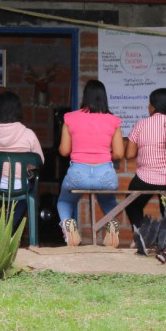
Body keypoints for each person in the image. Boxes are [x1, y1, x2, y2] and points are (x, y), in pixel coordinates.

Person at [56, 79, 124, 248]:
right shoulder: (113, 121)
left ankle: (68, 224)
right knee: (108, 201)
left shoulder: (70, 118)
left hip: (77, 174)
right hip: (105, 175)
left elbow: (64, 151)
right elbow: (119, 153)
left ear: (85, 97)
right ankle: (112, 224)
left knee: (64, 202)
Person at [124, 88, 166, 230]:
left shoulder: (141, 124)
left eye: (149, 104)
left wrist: (146, 151)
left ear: (153, 106)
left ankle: (140, 234)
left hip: (145, 180)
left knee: (132, 204)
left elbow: (129, 155)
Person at [0, 91, 44, 229]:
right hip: (18, 187)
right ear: (18, 110)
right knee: (24, 199)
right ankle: (6, 230)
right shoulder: (27, 133)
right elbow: (39, 161)